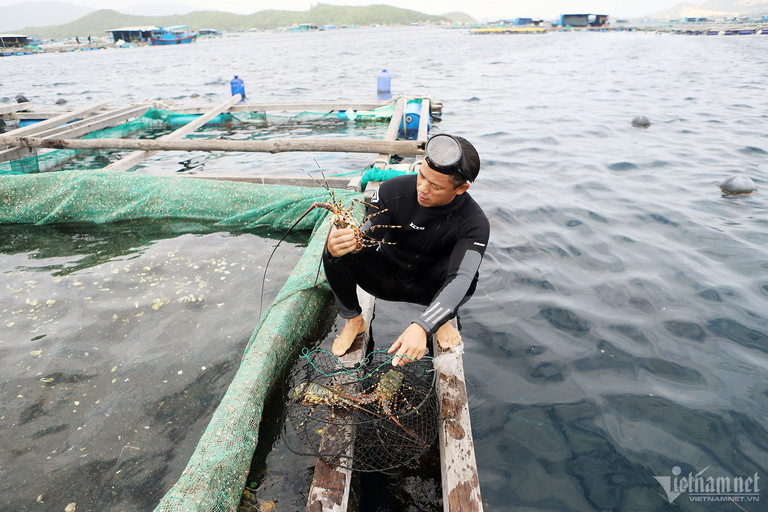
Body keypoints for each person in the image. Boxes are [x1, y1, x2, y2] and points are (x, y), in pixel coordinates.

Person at [322, 134, 490, 366]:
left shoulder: (475, 223)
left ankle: (440, 319)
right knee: (335, 250)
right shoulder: (393, 190)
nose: (422, 188)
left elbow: (461, 279)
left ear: (461, 188)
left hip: (430, 289)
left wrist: (423, 326)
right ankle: (353, 320)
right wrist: (348, 241)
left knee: (469, 277)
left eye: (435, 186)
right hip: (385, 278)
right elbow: (368, 238)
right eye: (421, 176)